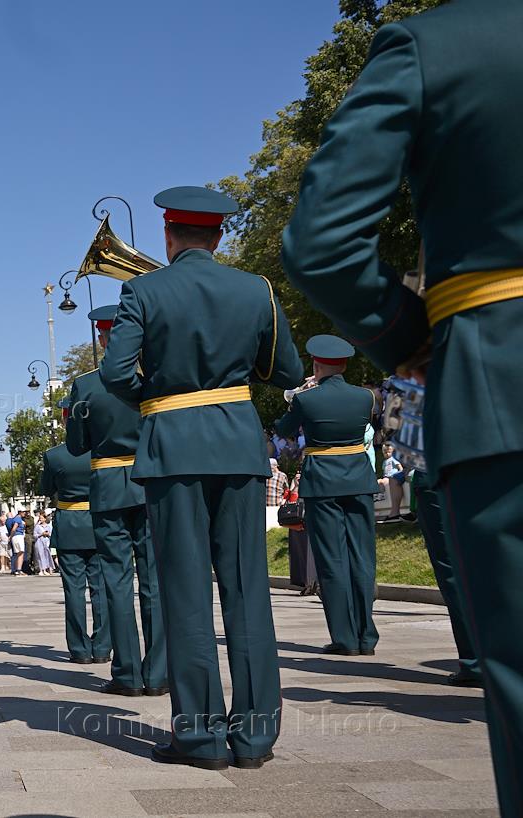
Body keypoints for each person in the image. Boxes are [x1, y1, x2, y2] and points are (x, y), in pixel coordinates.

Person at [282, 8, 523, 803]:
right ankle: (364, 629)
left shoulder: (438, 42)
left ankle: (357, 634)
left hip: (495, 386)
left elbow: (320, 243)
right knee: (360, 559)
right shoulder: (356, 397)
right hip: (364, 472)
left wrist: (417, 338)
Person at [100, 186, 303, 771]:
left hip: (172, 451)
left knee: (186, 593)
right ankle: (255, 737)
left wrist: (158, 398)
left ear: (168, 236)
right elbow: (284, 369)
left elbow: (115, 372)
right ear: (218, 236)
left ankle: (200, 737)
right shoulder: (256, 289)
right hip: (237, 445)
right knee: (247, 591)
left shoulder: (142, 290)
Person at [67, 306, 166, 698]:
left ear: (102, 338)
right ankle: (158, 673)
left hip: (108, 488)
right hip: (148, 483)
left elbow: (76, 445)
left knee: (117, 582)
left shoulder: (86, 386)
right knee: (153, 580)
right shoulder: (152, 379)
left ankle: (127, 673)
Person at [275, 335, 379, 656]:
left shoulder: (307, 399)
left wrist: (297, 396)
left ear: (316, 365)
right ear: (344, 365)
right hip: (359, 480)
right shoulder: (366, 397)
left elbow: (282, 429)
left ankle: (345, 638)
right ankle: (366, 636)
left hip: (323, 483)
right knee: (362, 557)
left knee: (332, 559)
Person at [41, 406, 110, 664]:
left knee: (73, 591)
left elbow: (46, 488)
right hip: (98, 523)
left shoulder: (54, 456)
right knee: (101, 590)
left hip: (69, 525)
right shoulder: (102, 451)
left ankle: (80, 650)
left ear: (64, 420)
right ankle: (102, 648)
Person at [412, 467, 482, 688]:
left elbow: (409, 452)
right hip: (494, 471)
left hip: (438, 473)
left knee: (453, 570)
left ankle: (475, 662)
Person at [377, 444, 406, 521]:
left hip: (392, 476)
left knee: (383, 481)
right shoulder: (384, 462)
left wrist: (400, 472)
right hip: (386, 476)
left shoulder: (393, 459)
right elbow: (384, 471)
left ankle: (381, 494)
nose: (387, 454)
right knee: (378, 481)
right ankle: (381, 494)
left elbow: (400, 468)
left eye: (389, 452)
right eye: (385, 453)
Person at [6, 508, 26, 575]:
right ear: (20, 512)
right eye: (23, 512)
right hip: (18, 536)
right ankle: (19, 569)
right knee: (21, 553)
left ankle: (17, 569)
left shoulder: (16, 518)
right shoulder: (18, 519)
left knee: (18, 554)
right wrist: (10, 536)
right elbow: (14, 528)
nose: (25, 513)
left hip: (16, 536)